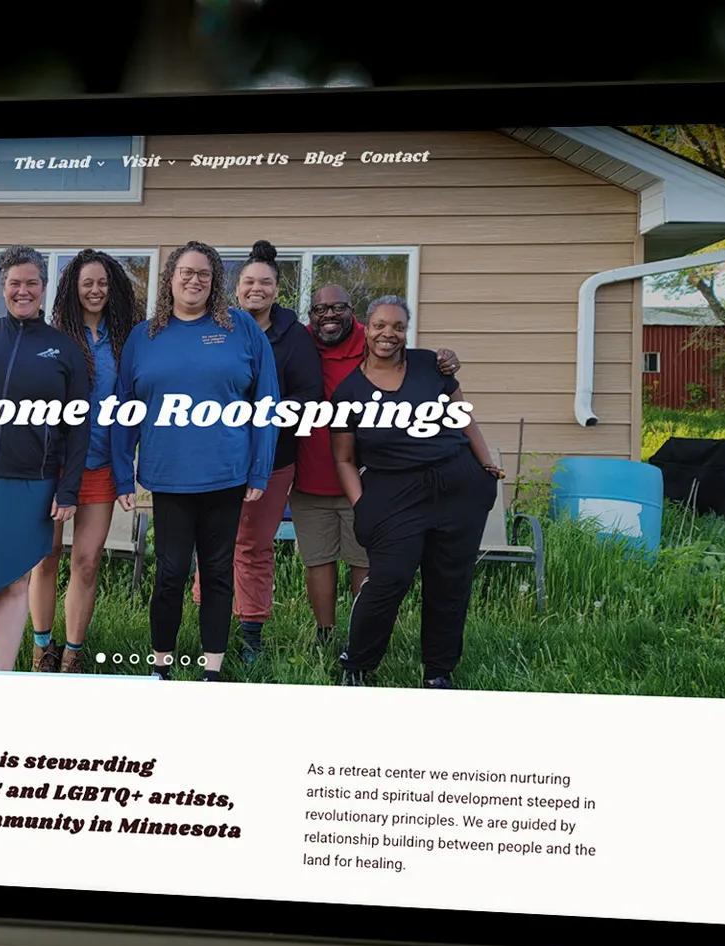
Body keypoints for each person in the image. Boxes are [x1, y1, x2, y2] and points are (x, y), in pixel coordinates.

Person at [112, 241, 278, 682]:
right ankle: (160, 668)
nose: (194, 280)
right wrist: (122, 475)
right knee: (169, 573)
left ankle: (212, 672)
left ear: (215, 281)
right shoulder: (144, 337)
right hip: (169, 476)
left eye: (204, 273)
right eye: (186, 272)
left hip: (226, 474)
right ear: (170, 278)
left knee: (219, 572)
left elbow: (266, 402)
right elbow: (125, 408)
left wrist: (260, 468)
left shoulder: (241, 330)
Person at [330, 295, 503, 688]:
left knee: (450, 583)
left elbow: (464, 419)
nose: (388, 334)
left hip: (457, 485)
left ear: (406, 331)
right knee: (389, 579)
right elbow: (343, 459)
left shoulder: (431, 365)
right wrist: (362, 504)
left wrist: (486, 467)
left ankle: (438, 672)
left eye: (398, 326)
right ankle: (357, 665)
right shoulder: (349, 392)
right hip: (393, 491)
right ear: (366, 328)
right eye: (380, 325)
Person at [0, 246, 90, 670]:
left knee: (15, 581)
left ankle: (2, 678)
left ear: (44, 287)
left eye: (31, 283)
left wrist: (68, 488)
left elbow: (79, 427)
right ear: (2, 286)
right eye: (14, 283)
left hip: (31, 484)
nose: (23, 291)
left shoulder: (64, 350)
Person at [295, 283, 460, 645]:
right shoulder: (300, 341)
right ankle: (325, 637)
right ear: (311, 315)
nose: (329, 315)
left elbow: (413, 364)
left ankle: (364, 637)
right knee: (318, 561)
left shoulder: (372, 339)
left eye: (338, 308)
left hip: (371, 480)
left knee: (366, 562)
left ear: (354, 314)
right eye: (321, 309)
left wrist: (444, 359)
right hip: (310, 475)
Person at [184, 240, 321, 661]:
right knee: (212, 543)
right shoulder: (217, 328)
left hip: (273, 459)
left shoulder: (295, 338)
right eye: (248, 281)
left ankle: (250, 633)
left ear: (277, 289)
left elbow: (309, 397)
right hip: (216, 457)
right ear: (236, 287)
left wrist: (257, 416)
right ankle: (210, 627)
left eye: (265, 282)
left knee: (253, 546)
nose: (255, 289)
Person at [27, 249, 140, 673]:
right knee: (46, 556)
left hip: (101, 465)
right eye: (87, 283)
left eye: (103, 283)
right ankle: (42, 649)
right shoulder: (56, 337)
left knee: (88, 561)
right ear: (73, 289)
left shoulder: (125, 340)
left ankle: (73, 654)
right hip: (54, 465)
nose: (96, 290)